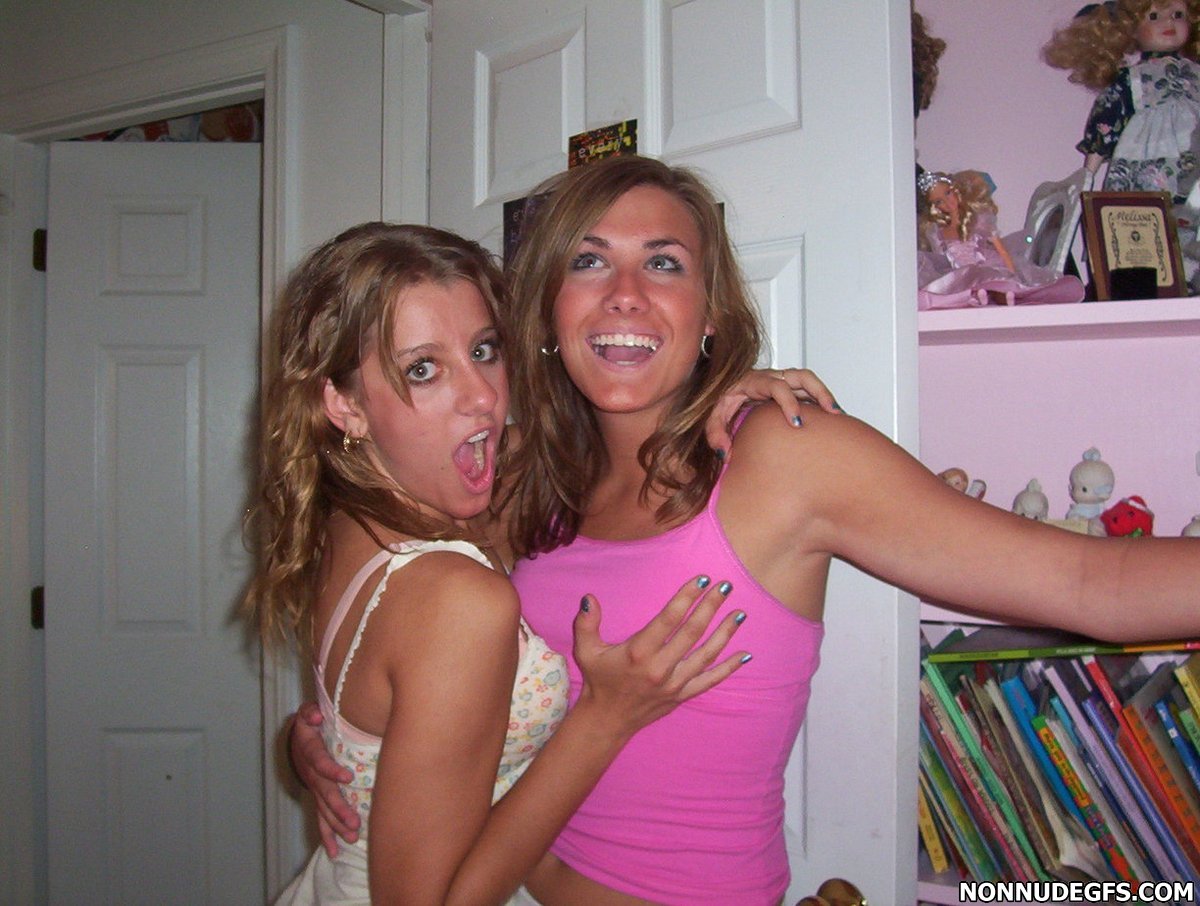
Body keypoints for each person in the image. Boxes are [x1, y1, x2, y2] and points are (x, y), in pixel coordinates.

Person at [298, 154, 1200, 904]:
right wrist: (328, 741)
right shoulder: (520, 482)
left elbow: (1093, 583)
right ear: (546, 313)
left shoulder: (784, 456)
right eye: (588, 262)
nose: (623, 294)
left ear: (710, 314)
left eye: (663, 263)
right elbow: (397, 634)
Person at [249, 221, 777, 905]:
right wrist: (605, 717)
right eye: (422, 369)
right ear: (343, 404)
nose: (483, 396)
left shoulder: (357, 518)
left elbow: (600, 442)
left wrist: (729, 394)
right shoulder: (456, 596)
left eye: (484, 350)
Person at [1043, 0, 1200, 289]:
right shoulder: (1133, 78)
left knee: (1192, 222)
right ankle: (1152, 282)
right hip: (1148, 167)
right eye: (1154, 16)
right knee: (1145, 225)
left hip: (1195, 169)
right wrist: (1087, 176)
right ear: (1131, 30)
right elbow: (1107, 121)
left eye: (1178, 15)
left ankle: (1191, 279)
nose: (1168, 23)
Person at [916, 169, 1085, 309]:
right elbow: (941, 261)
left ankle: (1004, 296)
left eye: (948, 193)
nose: (947, 202)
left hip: (984, 266)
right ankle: (978, 297)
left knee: (993, 279)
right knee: (955, 286)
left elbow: (1001, 250)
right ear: (934, 207)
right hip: (961, 276)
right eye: (939, 201)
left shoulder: (978, 220)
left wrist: (1014, 275)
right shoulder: (937, 232)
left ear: (956, 190)